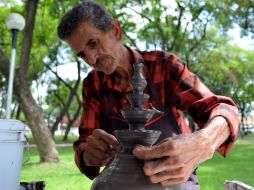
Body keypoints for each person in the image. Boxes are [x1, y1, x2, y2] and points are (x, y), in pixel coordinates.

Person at [57, 1, 239, 189]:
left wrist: (205, 141)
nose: (92, 59)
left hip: (173, 179)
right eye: (82, 55)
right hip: (121, 181)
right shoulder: (92, 84)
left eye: (93, 43)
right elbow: (84, 144)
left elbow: (224, 110)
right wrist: (89, 153)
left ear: (116, 30)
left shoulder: (165, 66)